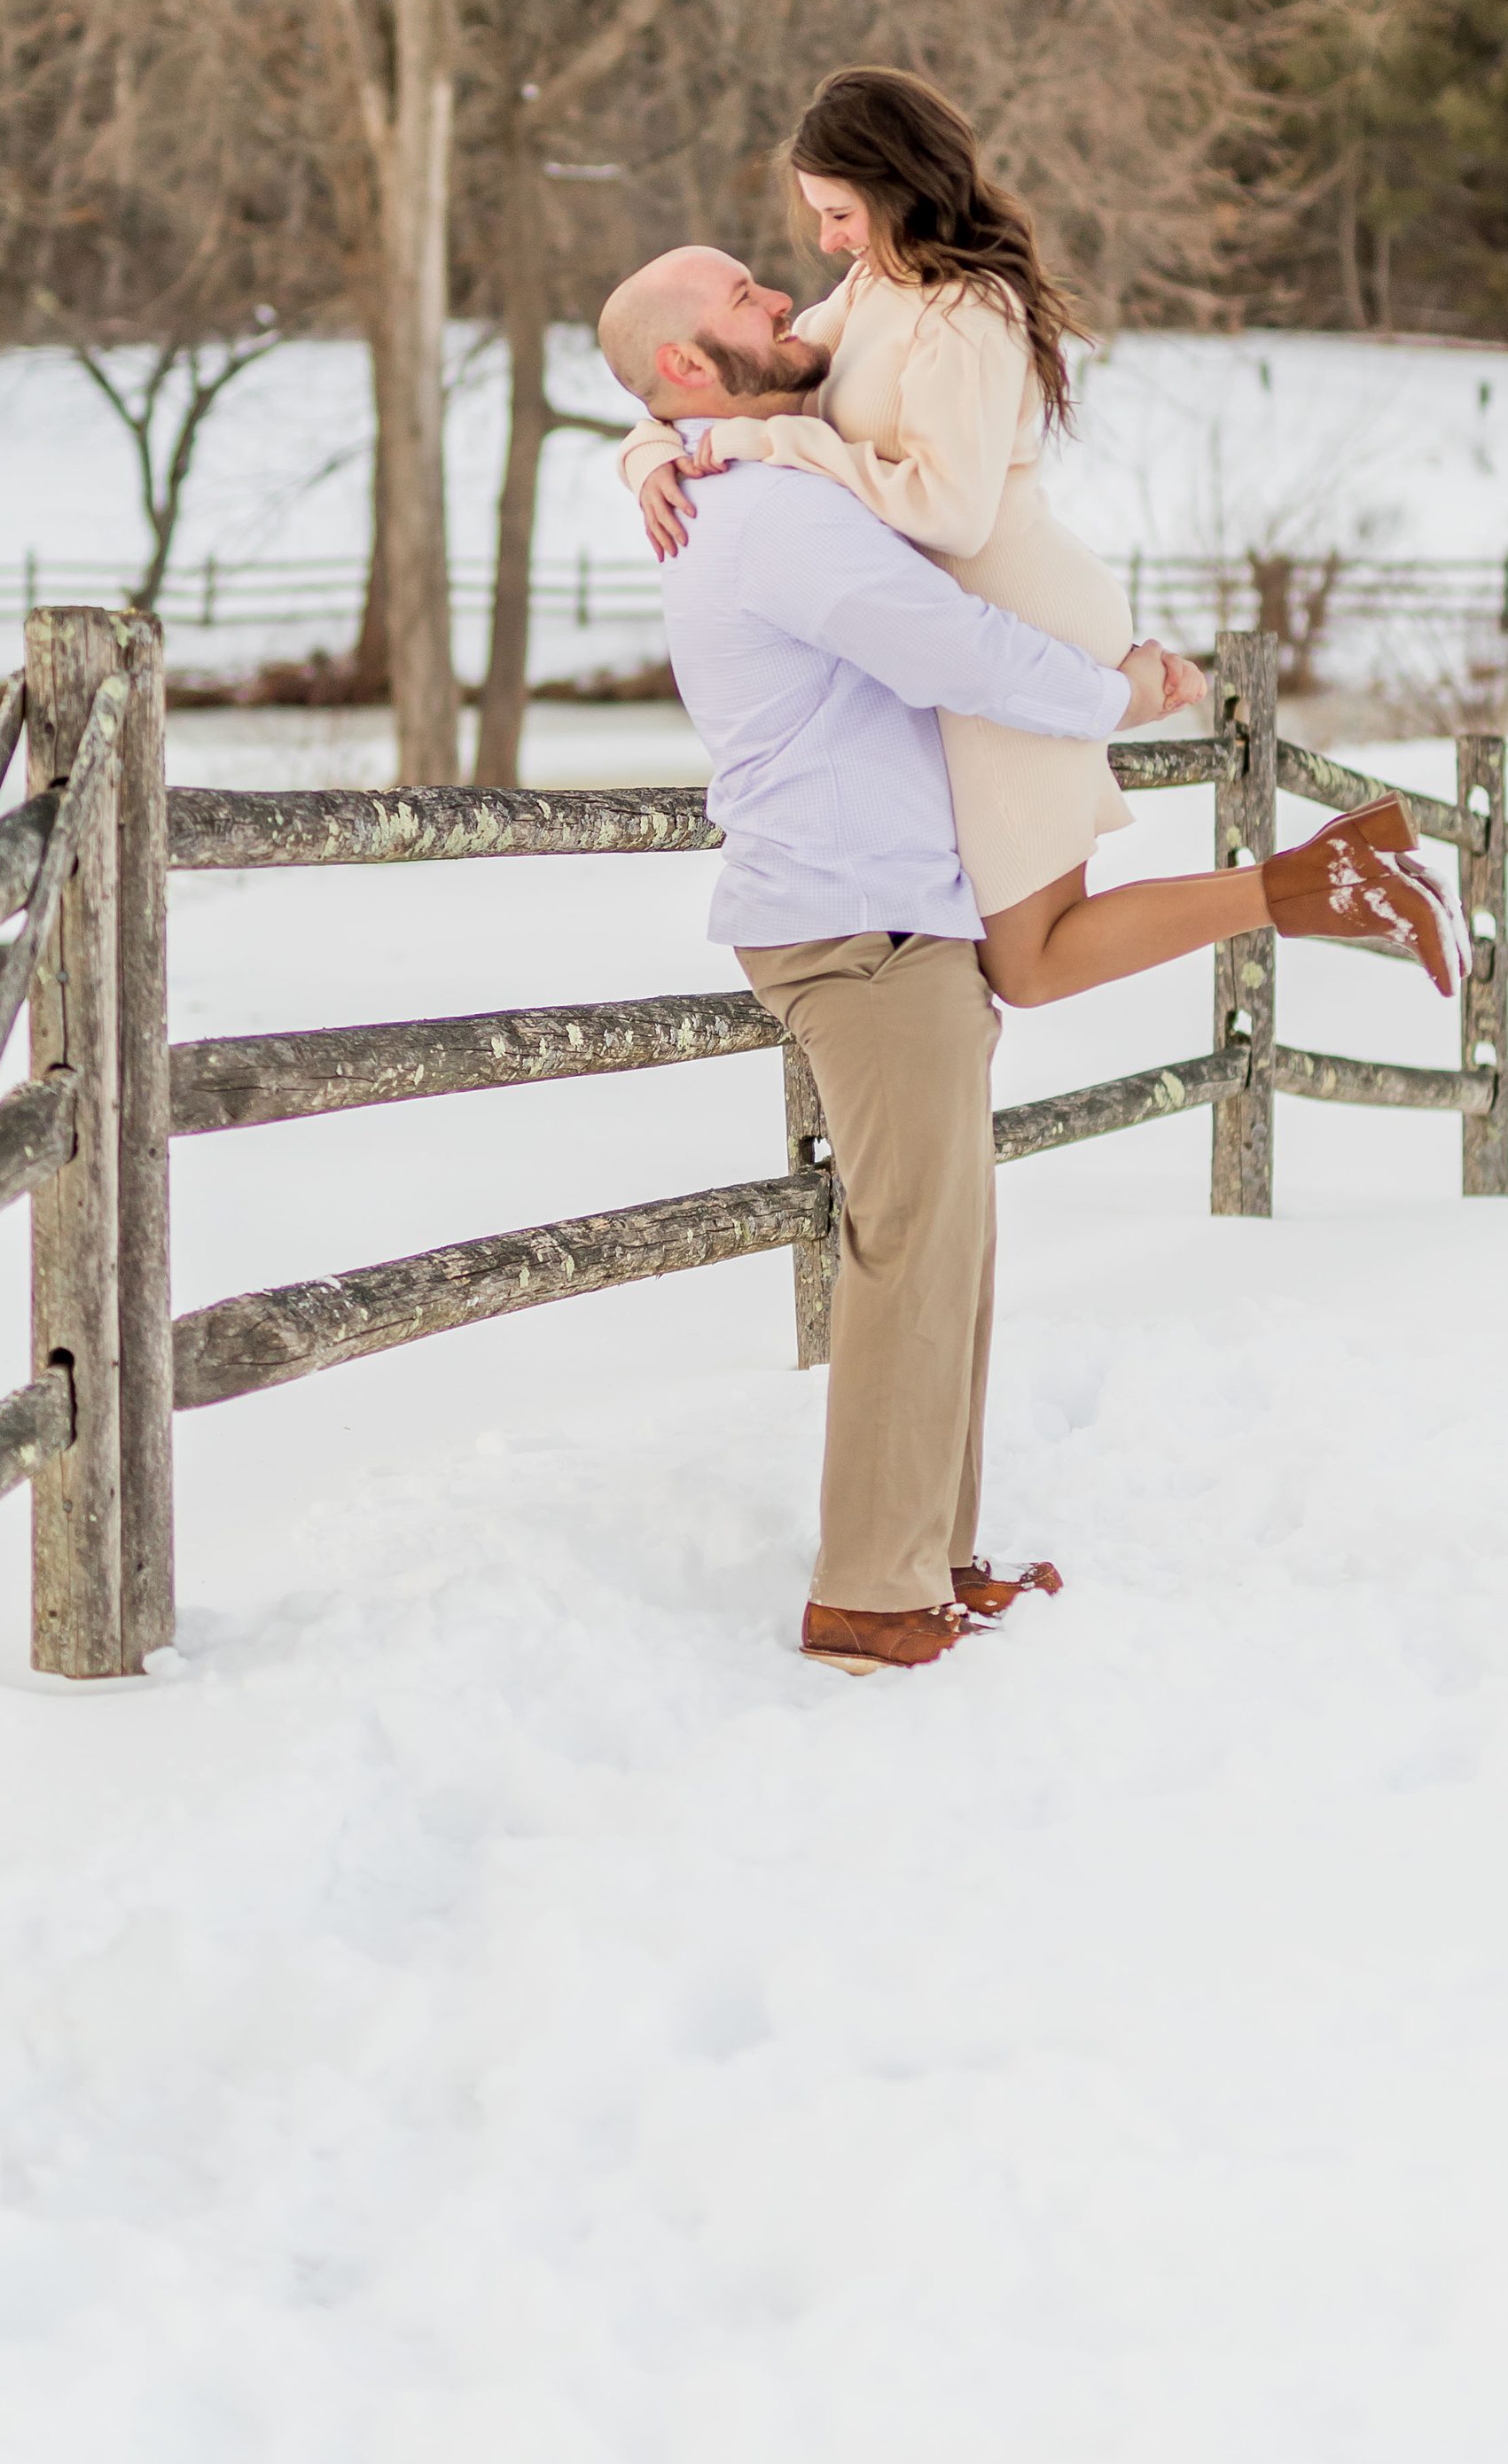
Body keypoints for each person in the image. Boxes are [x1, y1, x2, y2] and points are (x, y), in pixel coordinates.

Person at [597, 238, 1463, 1679]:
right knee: (909, 1249)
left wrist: (645, 449)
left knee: (951, 1247)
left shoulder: (751, 457)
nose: (780, 294)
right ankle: (870, 1585)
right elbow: (956, 651)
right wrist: (1126, 691)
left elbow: (687, 406)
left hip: (896, 912)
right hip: (856, 926)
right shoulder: (766, 519)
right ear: (695, 365)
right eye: (747, 293)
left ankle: (931, 1552)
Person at [621, 68, 1467, 1009]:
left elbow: (949, 513)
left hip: (1016, 609)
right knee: (1024, 954)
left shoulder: (966, 313)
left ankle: (1323, 883)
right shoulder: (876, 286)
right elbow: (743, 382)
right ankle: (1333, 876)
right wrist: (653, 445)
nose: (825, 241)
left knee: (1029, 959)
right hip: (972, 616)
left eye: (839, 212)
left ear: (894, 184)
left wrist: (776, 439)